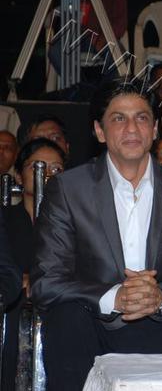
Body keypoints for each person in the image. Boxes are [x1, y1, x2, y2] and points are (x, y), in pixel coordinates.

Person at [30, 78, 162, 391]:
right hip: (93, 321)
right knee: (66, 316)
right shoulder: (68, 190)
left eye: (141, 118)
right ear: (99, 131)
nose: (132, 129)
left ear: (155, 129)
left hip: (160, 320)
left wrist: (160, 296)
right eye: (119, 118)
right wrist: (114, 297)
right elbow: (46, 282)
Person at [2, 138, 66, 391]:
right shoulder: (5, 219)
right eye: (37, 166)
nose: (47, 174)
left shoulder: (76, 223)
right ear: (19, 175)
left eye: (56, 168)